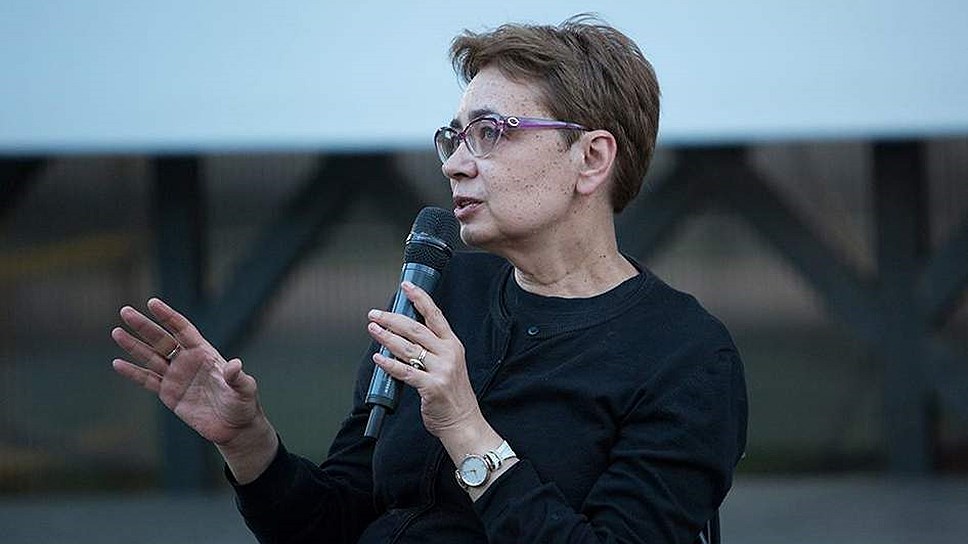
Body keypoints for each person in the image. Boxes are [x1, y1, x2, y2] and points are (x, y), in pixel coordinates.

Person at [111, 14, 747, 543]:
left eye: (490, 133)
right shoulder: (442, 292)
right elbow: (334, 524)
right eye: (454, 137)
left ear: (591, 158)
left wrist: (466, 429)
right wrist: (249, 442)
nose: (456, 164)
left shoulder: (685, 356)